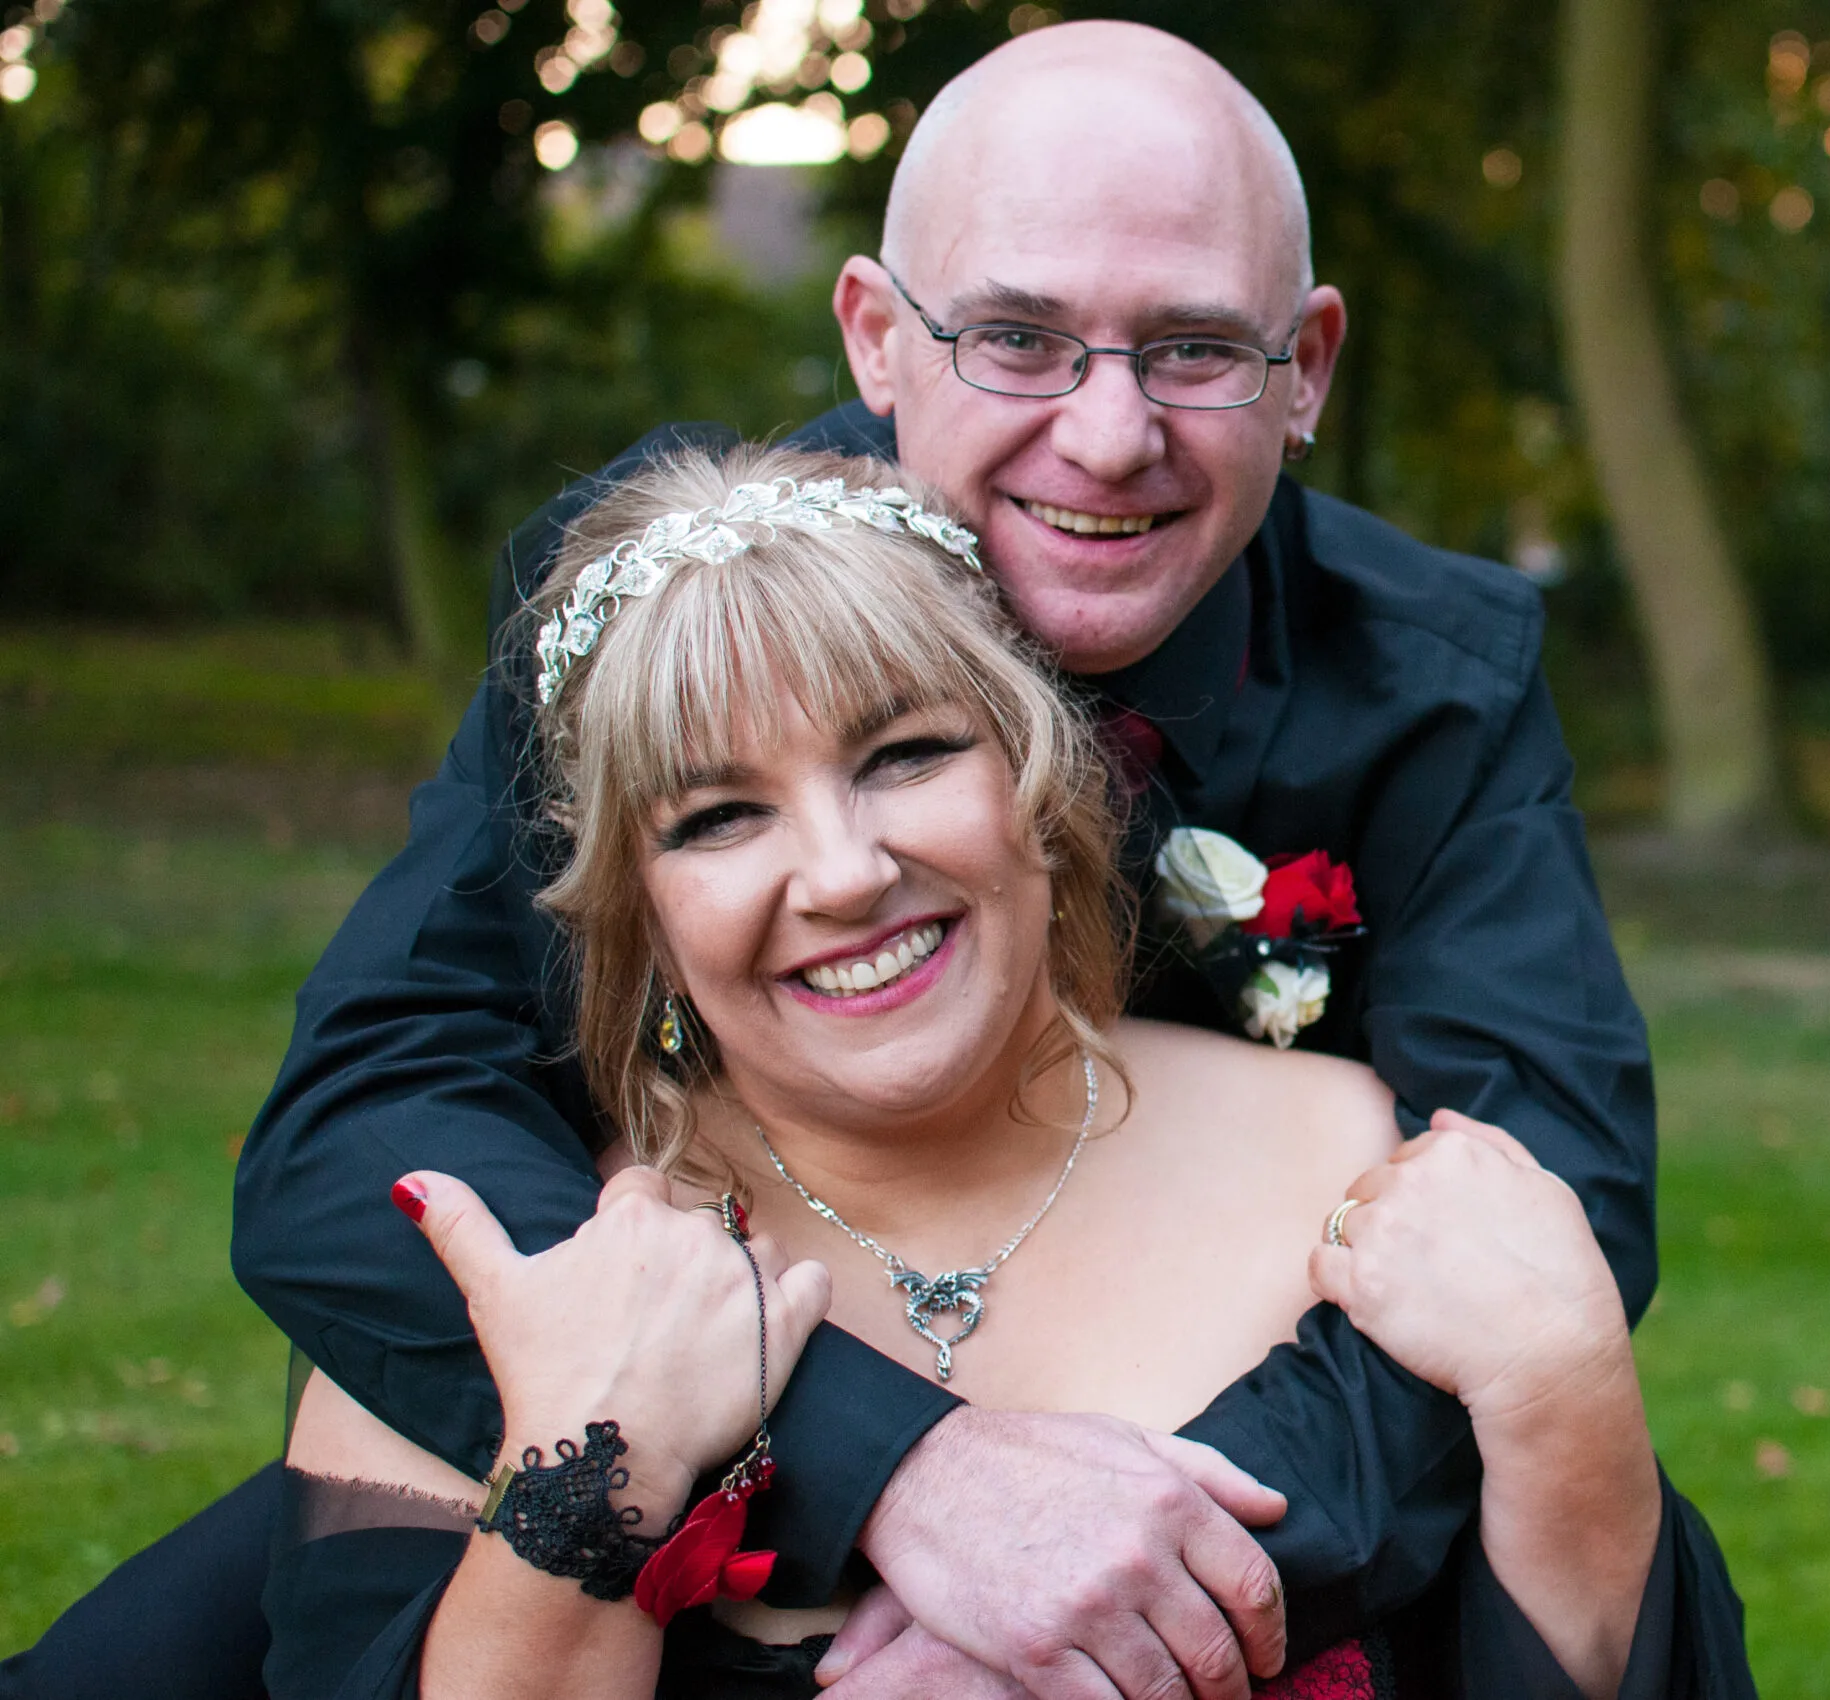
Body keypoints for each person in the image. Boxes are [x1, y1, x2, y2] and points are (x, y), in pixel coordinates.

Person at [1, 21, 1663, 1700]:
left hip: (1270, 1414)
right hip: (718, 1332)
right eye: (1016, 338)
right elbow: (365, 1120)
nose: (1106, 437)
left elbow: (1545, 1213)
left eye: (1193, 350)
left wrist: (1121, 1600)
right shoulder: (660, 618)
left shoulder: (1436, 678)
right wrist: (892, 1475)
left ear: (1304, 366)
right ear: (876, 333)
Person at [263, 444, 1750, 1700]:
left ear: (1042, 784)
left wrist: (1565, 1388)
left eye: (906, 754)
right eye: (718, 818)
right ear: (635, 912)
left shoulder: (1356, 1172)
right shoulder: (524, 1285)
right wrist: (594, 1476)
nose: (844, 873)